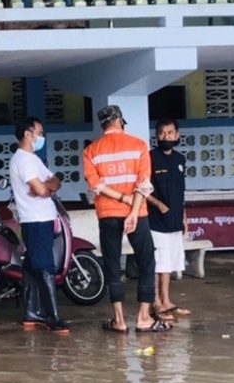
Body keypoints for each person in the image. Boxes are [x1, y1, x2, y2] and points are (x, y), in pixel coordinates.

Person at [82, 104, 156, 332]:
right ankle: (144, 318)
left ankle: (119, 320)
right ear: (121, 121)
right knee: (146, 261)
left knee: (112, 263)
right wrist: (132, 212)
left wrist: (122, 199)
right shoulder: (139, 145)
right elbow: (143, 184)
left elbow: (96, 185)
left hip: (108, 214)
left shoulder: (91, 151)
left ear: (102, 124)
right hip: (138, 213)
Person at [8, 117, 69, 334]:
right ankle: (53, 318)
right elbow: (43, 189)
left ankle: (31, 313)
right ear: (28, 134)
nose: (42, 137)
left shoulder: (33, 159)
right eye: (40, 133)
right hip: (35, 220)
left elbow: (56, 182)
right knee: (45, 267)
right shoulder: (23, 160)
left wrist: (45, 187)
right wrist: (45, 188)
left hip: (42, 218)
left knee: (33, 265)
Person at [147, 119, 190, 320]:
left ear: (177, 135)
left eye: (170, 132)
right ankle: (156, 303)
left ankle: (166, 301)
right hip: (156, 221)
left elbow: (181, 193)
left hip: (175, 221)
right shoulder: (150, 158)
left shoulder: (180, 159)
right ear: (157, 135)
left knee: (169, 263)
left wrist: (184, 218)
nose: (166, 136)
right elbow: (142, 189)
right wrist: (159, 204)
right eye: (162, 133)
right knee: (158, 264)